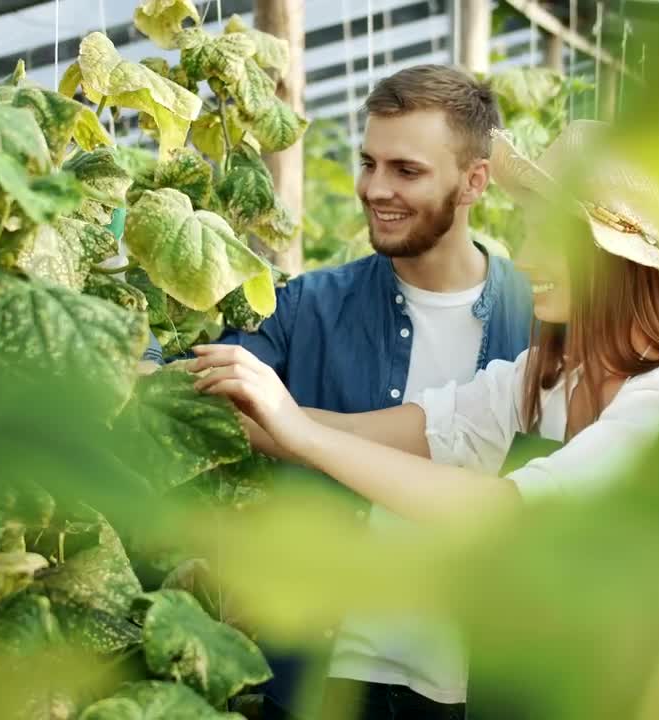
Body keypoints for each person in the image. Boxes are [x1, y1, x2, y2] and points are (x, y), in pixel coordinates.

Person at [192, 121, 659, 716]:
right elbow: (371, 434)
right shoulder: (540, 378)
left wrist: (299, 428)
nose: (524, 258)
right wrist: (189, 396)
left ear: (613, 262)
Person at [212, 65, 535, 720]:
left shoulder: (538, 322)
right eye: (368, 163)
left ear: (474, 181)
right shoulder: (303, 307)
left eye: (406, 170)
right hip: (322, 674)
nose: (374, 189)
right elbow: (212, 399)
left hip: (482, 686)